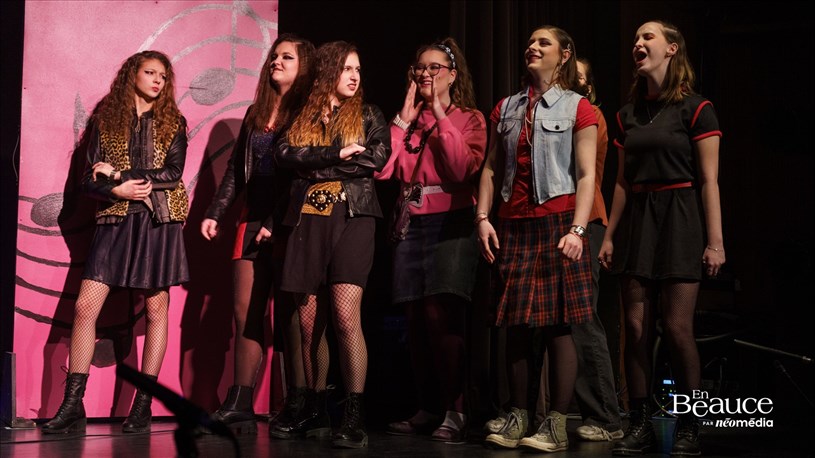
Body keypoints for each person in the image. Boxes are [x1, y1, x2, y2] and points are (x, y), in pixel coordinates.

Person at [41, 51, 189, 434]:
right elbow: (88, 182)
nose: (157, 80)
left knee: (156, 309)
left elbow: (173, 173)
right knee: (85, 307)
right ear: (132, 75)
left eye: (162, 76)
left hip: (158, 220)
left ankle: (143, 405)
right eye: (150, 72)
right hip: (114, 218)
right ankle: (73, 405)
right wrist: (115, 190)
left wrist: (120, 175)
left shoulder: (174, 121)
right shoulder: (106, 121)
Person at [599, 20, 724, 457]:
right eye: (635, 38)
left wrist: (715, 241)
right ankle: (639, 422)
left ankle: (690, 425)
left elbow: (709, 181)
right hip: (639, 221)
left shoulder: (696, 108)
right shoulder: (626, 115)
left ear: (672, 48)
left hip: (681, 217)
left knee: (675, 327)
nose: (638, 43)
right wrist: (609, 236)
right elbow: (621, 182)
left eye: (647, 36)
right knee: (634, 328)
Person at [476, 26, 597, 453]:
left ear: (564, 54)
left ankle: (556, 422)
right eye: (530, 41)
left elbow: (587, 174)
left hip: (557, 220)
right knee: (514, 324)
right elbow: (491, 167)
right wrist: (483, 217)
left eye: (544, 42)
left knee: (557, 324)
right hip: (513, 222)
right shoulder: (507, 107)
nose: (533, 46)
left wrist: (578, 229)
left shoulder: (578, 107)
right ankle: (518, 415)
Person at [276, 41, 391, 449]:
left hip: (354, 216)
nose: (354, 76)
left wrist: (316, 165)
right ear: (328, 72)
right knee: (310, 323)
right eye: (346, 68)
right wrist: (335, 154)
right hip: (309, 219)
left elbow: (377, 158)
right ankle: (316, 407)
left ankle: (354, 414)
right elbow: (285, 154)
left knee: (345, 316)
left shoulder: (370, 113)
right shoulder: (303, 114)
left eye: (357, 69)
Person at [200, 34, 316, 435]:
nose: (276, 62)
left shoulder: (309, 112)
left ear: (305, 66)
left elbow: (303, 175)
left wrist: (275, 218)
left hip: (290, 221)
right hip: (251, 219)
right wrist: (216, 212)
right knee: (245, 311)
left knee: (290, 315)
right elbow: (237, 171)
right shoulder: (257, 112)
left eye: (287, 57)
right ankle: (240, 400)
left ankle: (299, 400)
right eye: (274, 56)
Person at [378, 38, 486, 444]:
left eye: (434, 67)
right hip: (410, 224)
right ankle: (427, 406)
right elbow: (382, 171)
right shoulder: (409, 120)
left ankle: (456, 409)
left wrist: (440, 114)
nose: (425, 73)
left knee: (443, 318)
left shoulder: (469, 118)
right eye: (420, 67)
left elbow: (460, 170)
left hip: (451, 224)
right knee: (416, 321)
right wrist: (401, 121)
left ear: (452, 75)